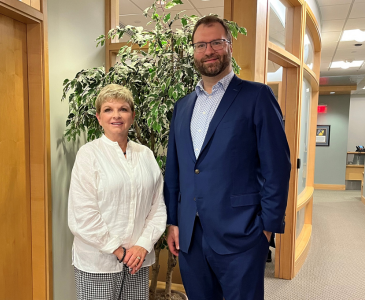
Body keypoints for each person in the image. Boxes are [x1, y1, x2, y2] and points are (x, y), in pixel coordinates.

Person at [164, 16, 291, 300]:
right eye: (200, 45)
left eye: (217, 42)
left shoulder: (257, 96)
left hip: (242, 234)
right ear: (193, 52)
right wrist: (173, 221)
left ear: (230, 46)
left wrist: (267, 230)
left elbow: (277, 167)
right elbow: (175, 171)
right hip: (190, 238)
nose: (209, 51)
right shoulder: (182, 106)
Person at [68, 84, 167, 300]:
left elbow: (157, 207)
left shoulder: (146, 155)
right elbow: (83, 215)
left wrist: (142, 245)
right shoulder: (89, 155)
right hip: (98, 262)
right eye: (108, 109)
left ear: (132, 115)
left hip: (136, 262)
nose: (116, 115)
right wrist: (119, 251)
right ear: (98, 117)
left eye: (123, 109)